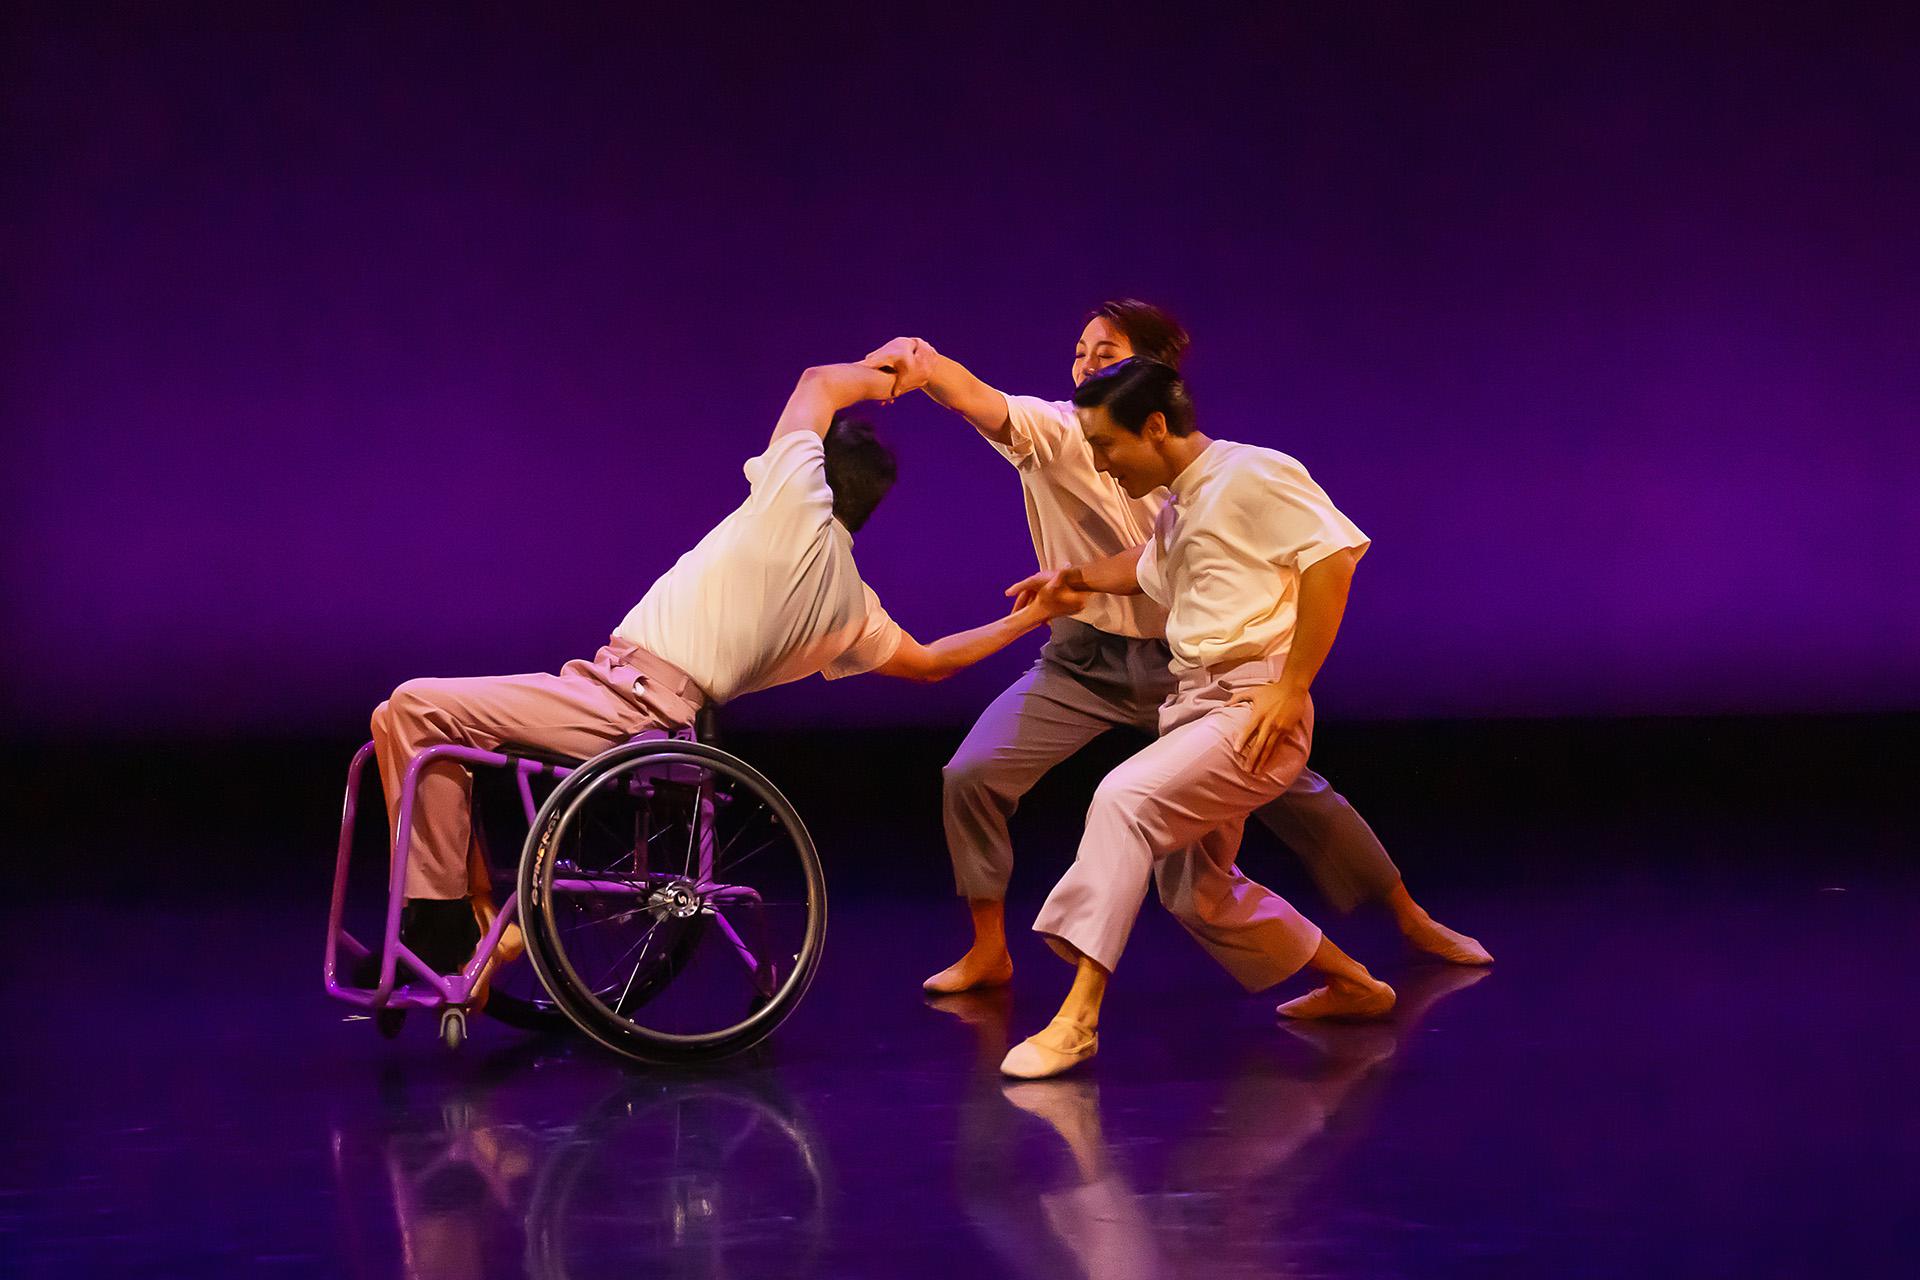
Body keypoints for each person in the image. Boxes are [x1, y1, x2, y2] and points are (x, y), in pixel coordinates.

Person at [361, 357, 1084, 978]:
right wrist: (1029, 618)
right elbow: (928, 664)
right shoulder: (851, 604)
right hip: (616, 693)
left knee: (417, 703)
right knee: (398, 719)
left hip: (630, 704)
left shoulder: (794, 507)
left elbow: (817, 382)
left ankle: (439, 928)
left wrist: (896, 372)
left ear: (819, 472)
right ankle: (463, 919)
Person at [866, 303, 1487, 997]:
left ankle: (1409, 918)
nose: (1085, 367)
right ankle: (991, 951)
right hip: (1085, 662)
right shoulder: (1061, 430)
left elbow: (1298, 557)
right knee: (973, 775)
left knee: (1296, 794)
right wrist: (924, 365)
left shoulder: (1200, 466)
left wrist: (1288, 685)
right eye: (1079, 353)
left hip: (1184, 667)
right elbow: (979, 400)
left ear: (1154, 383)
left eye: (1106, 354)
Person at [995, 358, 1397, 1079]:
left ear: (1155, 426)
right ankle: (1355, 984)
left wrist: (1292, 685)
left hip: (1253, 708)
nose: (1100, 464)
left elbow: (1333, 558)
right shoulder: (1181, 505)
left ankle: (1077, 1021)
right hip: (1196, 707)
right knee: (1198, 894)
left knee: (1124, 799)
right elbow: (1143, 567)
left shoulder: (1253, 473)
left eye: (1106, 445)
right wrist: (1071, 578)